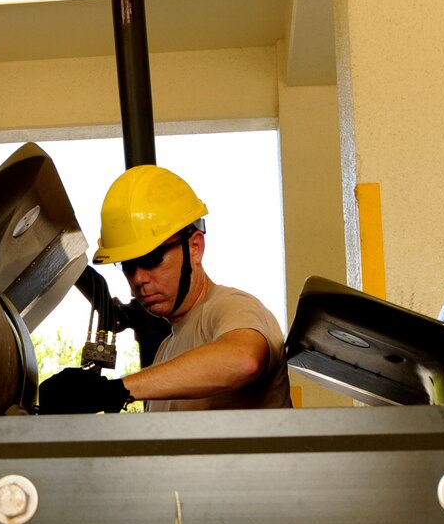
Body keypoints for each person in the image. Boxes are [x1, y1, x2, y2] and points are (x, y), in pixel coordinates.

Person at [38, 165, 290, 413]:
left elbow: (244, 360)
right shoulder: (166, 351)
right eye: (128, 265)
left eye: (151, 259)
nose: (138, 279)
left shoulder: (231, 305)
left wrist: (115, 389)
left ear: (194, 247)